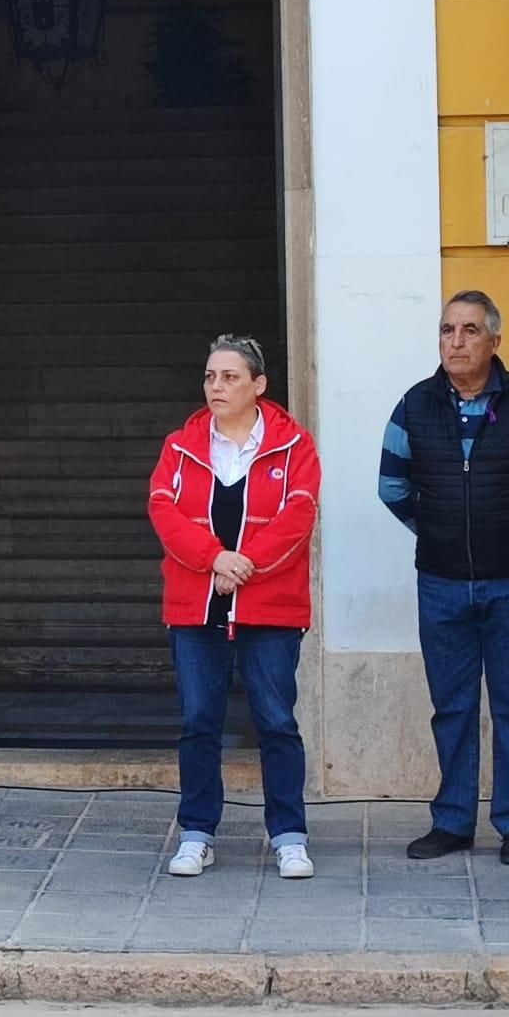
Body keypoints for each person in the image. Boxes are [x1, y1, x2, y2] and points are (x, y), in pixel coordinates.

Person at [379, 290, 509, 865]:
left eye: (468, 331)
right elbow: (392, 487)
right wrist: (439, 530)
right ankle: (453, 821)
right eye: (447, 331)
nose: (456, 342)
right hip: (440, 582)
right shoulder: (414, 404)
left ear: (494, 341)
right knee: (452, 706)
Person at [148, 335, 322, 881]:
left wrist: (243, 564)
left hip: (269, 607)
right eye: (209, 377)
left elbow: (299, 514)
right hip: (195, 606)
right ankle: (197, 833)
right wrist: (215, 558)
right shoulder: (181, 446)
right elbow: (163, 510)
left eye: (229, 377)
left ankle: (289, 836)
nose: (216, 387)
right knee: (200, 722)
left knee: (276, 721)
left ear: (258, 385)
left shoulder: (295, 446)